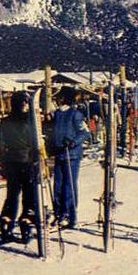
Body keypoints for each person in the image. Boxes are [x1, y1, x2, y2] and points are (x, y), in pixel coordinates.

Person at [0, 91, 38, 244]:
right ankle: (26, 222)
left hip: (10, 160)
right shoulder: (29, 121)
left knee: (12, 193)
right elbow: (34, 142)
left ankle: (7, 220)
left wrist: (3, 161)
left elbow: (1, 144)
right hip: (27, 160)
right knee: (28, 193)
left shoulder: (5, 121)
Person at [51, 88, 89, 229]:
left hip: (71, 154)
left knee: (69, 185)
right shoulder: (57, 114)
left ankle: (70, 215)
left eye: (59, 97)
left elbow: (84, 132)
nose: (57, 99)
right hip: (59, 153)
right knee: (58, 185)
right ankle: (59, 212)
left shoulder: (75, 114)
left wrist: (73, 142)